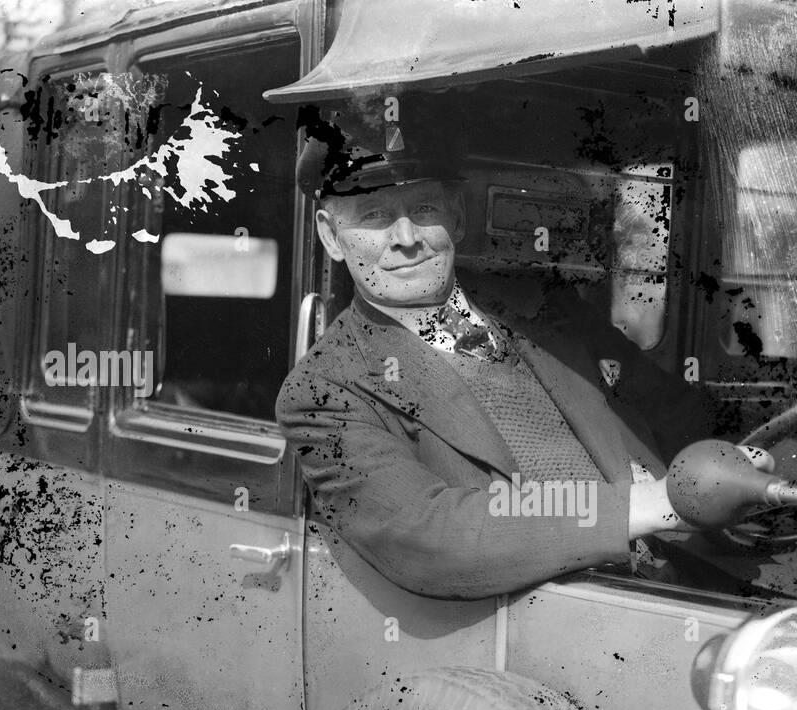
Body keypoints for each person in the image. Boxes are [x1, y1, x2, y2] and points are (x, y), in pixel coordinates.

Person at [275, 112, 755, 599]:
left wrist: (759, 466)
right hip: (553, 615)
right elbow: (428, 536)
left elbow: (674, 410)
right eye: (374, 216)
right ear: (332, 236)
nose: (405, 238)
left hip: (687, 573)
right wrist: (654, 503)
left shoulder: (542, 306)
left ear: (456, 217)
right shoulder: (324, 391)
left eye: (423, 208)